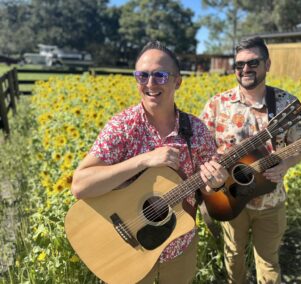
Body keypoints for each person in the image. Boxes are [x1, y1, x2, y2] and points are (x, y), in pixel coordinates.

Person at [71, 40, 229, 284]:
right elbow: (80, 185)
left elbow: (205, 187)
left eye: (160, 75)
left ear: (178, 81)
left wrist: (215, 183)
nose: (150, 83)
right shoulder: (123, 126)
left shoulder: (196, 130)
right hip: (127, 254)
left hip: (180, 245)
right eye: (142, 75)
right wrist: (143, 160)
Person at [200, 36, 301, 284]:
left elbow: (299, 148)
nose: (245, 69)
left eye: (253, 62)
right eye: (239, 65)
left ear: (267, 64)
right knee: (234, 257)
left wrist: (286, 164)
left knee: (268, 262)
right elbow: (202, 153)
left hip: (271, 200)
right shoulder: (217, 104)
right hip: (229, 197)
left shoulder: (286, 105)